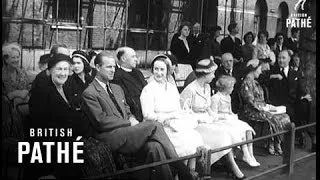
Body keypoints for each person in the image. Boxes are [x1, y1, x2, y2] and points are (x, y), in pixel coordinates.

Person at [82, 52, 194, 180]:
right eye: (108, 67)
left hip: (128, 133)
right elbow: (101, 121)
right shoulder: (89, 93)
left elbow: (128, 111)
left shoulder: (117, 88)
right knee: (155, 125)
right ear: (97, 67)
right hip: (110, 136)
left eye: (114, 67)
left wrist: (132, 118)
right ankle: (182, 168)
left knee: (155, 147)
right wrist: (129, 123)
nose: (113, 70)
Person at [28, 53, 93, 179]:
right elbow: (41, 125)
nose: (63, 73)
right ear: (50, 70)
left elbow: (76, 114)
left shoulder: (67, 88)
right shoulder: (41, 92)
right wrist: (74, 136)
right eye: (59, 69)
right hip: (48, 146)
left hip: (69, 139)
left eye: (66, 69)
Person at [180, 59, 246, 179]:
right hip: (195, 124)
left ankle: (228, 163)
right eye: (212, 73)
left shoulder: (207, 87)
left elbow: (208, 108)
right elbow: (183, 112)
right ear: (205, 74)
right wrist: (200, 119)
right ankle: (233, 167)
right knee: (223, 135)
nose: (214, 76)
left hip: (208, 120)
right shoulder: (190, 90)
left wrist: (215, 117)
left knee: (230, 129)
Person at [140, 55, 204, 177]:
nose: (158, 73)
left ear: (167, 71)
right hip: (158, 127)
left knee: (194, 137)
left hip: (174, 123)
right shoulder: (148, 89)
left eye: (162, 69)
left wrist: (177, 116)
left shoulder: (171, 87)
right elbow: (147, 114)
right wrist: (166, 118)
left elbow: (177, 108)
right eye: (156, 69)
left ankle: (189, 171)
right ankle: (181, 174)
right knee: (181, 143)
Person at [239, 60, 291, 155]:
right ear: (253, 70)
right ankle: (271, 143)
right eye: (259, 69)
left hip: (262, 108)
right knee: (272, 117)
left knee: (285, 116)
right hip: (252, 110)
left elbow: (262, 99)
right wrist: (264, 108)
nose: (260, 71)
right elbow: (250, 101)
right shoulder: (246, 83)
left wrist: (267, 106)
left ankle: (277, 142)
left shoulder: (255, 82)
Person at [211, 75, 260, 167]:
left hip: (229, 119)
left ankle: (251, 154)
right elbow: (213, 115)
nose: (233, 89)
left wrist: (232, 115)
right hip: (220, 121)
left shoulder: (228, 97)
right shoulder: (215, 98)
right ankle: (245, 154)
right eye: (232, 87)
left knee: (247, 128)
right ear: (226, 87)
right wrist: (226, 116)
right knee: (238, 130)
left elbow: (229, 111)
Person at [268, 50, 312, 149]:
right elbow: (262, 78)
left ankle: (303, 132)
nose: (280, 60)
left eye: (283, 58)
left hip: (294, 101)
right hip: (280, 101)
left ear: (289, 59)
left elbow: (300, 89)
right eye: (279, 58)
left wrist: (303, 96)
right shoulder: (273, 71)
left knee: (305, 104)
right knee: (291, 110)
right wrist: (273, 76)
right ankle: (293, 136)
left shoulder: (295, 73)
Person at [2, 42, 35, 138]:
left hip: (24, 107)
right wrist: (14, 94)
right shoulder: (3, 75)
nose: (16, 60)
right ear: (6, 59)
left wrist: (22, 94)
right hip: (7, 112)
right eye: (13, 58)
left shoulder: (22, 73)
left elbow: (28, 91)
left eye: (17, 57)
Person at [112, 47, 147, 122]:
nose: (136, 59)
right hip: (133, 115)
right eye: (133, 57)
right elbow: (125, 99)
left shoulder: (138, 73)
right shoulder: (116, 76)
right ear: (123, 59)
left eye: (136, 56)